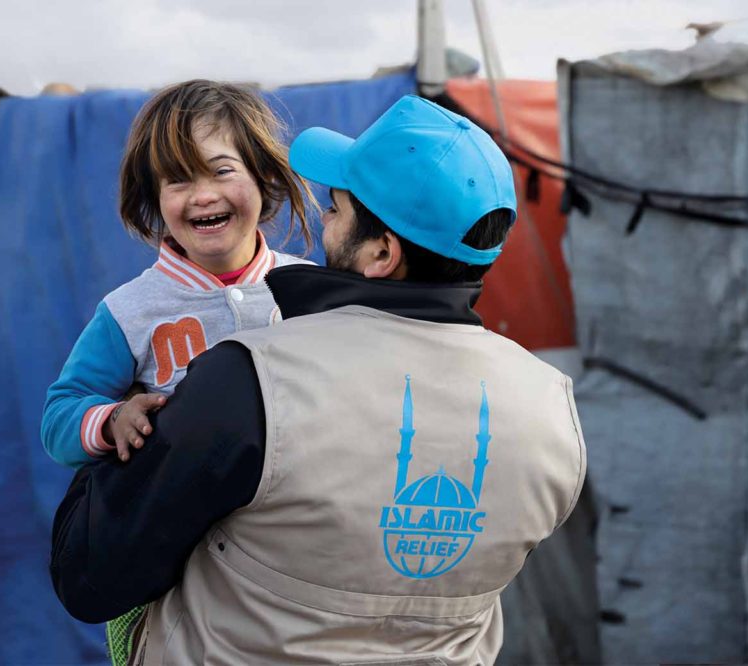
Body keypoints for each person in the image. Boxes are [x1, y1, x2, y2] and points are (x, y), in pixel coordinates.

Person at [49, 95, 587, 665]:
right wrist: (107, 422)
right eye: (177, 180)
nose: (324, 218)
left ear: (382, 252)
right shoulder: (552, 412)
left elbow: (92, 575)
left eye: (338, 208)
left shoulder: (256, 378)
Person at [40, 80, 313, 664]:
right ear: (153, 197)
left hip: (287, 563)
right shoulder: (131, 310)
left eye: (220, 171)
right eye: (178, 179)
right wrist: (112, 419)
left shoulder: (311, 292)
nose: (201, 195)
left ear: (264, 181)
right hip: (179, 578)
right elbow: (60, 413)